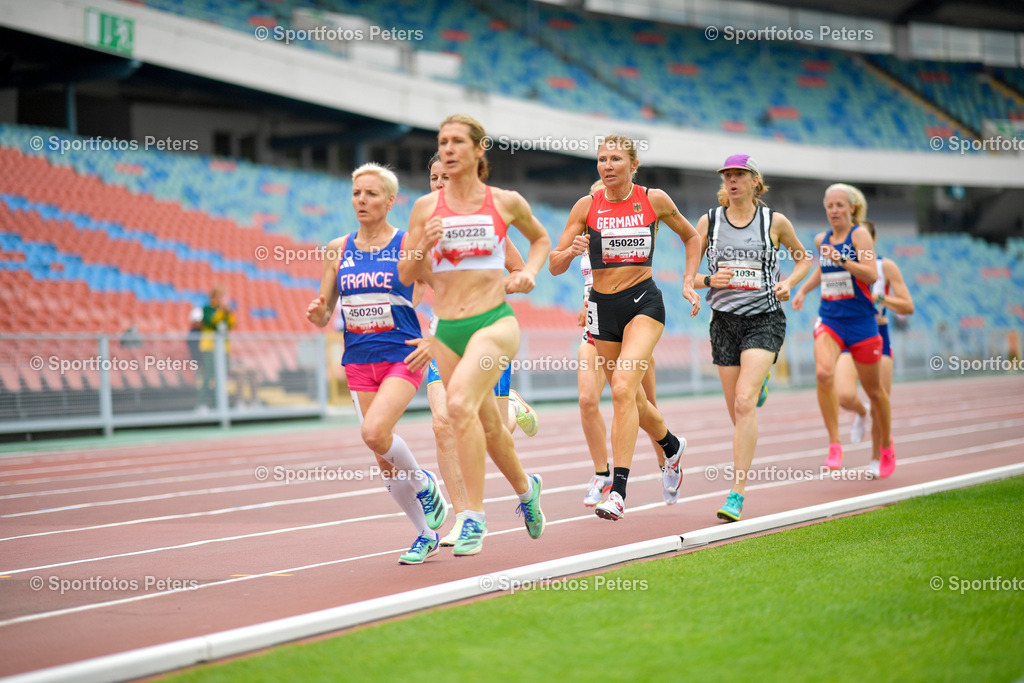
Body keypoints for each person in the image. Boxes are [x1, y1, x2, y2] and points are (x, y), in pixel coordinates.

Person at [399, 114, 550, 556]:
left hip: (493, 324)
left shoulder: (503, 202)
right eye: (442, 141)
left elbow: (540, 241)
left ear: (479, 150)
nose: (448, 149)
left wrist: (527, 274)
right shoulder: (424, 211)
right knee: (481, 427)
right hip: (446, 331)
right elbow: (406, 274)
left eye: (457, 142)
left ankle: (472, 517)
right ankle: (527, 489)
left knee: (458, 406)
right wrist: (422, 245)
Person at [549, 135, 701, 521]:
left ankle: (617, 491)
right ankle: (671, 445)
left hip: (643, 303)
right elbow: (554, 264)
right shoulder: (586, 206)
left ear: (634, 165)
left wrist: (688, 281)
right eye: (602, 159)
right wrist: (570, 252)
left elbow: (691, 236)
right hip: (602, 309)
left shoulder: (654, 200)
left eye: (616, 159)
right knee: (633, 400)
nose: (607, 165)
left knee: (620, 389)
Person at [306, 162, 447, 565]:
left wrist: (436, 338)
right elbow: (325, 310)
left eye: (371, 194)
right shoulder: (337, 248)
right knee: (383, 458)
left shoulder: (407, 245)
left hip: (402, 355)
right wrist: (317, 313)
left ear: (389, 201)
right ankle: (425, 534)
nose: (362, 200)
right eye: (356, 194)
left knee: (373, 432)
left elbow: (449, 293)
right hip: (358, 359)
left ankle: (424, 480)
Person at [692, 154, 812, 521]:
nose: (731, 180)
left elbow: (803, 259)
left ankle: (736, 493)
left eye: (739, 175)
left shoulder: (774, 222)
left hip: (764, 319)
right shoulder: (709, 222)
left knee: (744, 403)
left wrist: (789, 283)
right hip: (724, 323)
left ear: (755, 181)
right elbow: (689, 276)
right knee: (737, 410)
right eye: (727, 175)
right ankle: (758, 383)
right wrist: (709, 280)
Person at [564, 180, 671, 508]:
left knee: (645, 403)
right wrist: (586, 302)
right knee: (587, 400)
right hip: (597, 328)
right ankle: (602, 474)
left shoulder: (632, 229)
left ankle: (667, 461)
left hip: (633, 326)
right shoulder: (585, 232)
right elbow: (583, 277)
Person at [790, 184, 895, 477]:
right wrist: (803, 291)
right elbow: (823, 270)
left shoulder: (859, 235)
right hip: (831, 319)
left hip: (862, 322)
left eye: (839, 205)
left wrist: (843, 260)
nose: (834, 210)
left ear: (851, 208)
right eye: (829, 206)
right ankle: (835, 444)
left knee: (875, 393)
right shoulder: (821, 239)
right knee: (824, 374)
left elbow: (871, 274)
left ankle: (886, 445)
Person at [197, 287, 235, 410]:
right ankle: (201, 404)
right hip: (209, 347)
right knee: (209, 374)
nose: (221, 299)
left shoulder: (226, 311)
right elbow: (211, 322)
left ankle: (217, 404)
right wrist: (221, 311)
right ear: (213, 297)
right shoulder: (207, 309)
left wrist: (227, 312)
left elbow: (232, 324)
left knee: (222, 377)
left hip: (223, 349)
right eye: (219, 296)